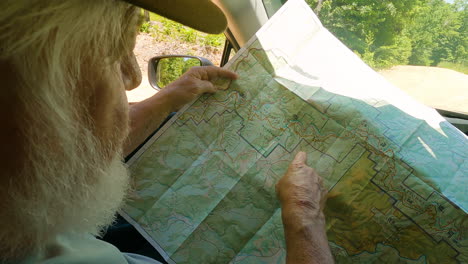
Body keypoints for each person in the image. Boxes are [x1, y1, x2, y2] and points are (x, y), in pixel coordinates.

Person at [0, 0, 333, 263]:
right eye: (115, 53)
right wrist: (305, 225)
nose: (131, 78)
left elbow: (61, 153)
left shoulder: (22, 200)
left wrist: (164, 100)